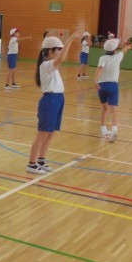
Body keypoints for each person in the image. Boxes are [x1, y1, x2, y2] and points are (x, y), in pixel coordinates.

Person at [26, 32, 81, 175]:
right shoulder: (46, 65)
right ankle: (31, 164)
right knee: (42, 134)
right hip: (50, 100)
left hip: (58, 99)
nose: (60, 52)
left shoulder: (51, 66)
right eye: (58, 49)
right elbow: (62, 58)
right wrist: (70, 39)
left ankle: (41, 160)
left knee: (49, 134)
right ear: (50, 51)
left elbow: (60, 58)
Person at [94, 38, 132, 142]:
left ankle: (103, 129)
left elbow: (100, 69)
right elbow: (125, 49)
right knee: (114, 110)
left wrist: (95, 80)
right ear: (115, 50)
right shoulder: (118, 56)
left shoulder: (102, 58)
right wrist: (128, 45)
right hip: (112, 85)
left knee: (105, 109)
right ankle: (114, 131)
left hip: (101, 86)